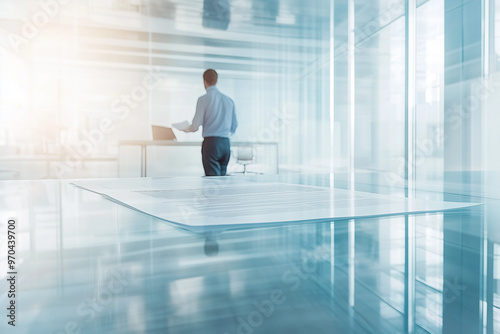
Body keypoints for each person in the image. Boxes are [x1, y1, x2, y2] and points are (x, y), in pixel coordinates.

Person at [182, 69, 238, 176]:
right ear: (216, 81)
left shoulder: (203, 99)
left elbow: (195, 126)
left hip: (211, 144)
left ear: (204, 81)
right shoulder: (229, 100)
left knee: (213, 181)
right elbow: (235, 125)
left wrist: (185, 129)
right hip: (226, 144)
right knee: (222, 180)